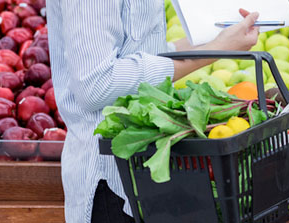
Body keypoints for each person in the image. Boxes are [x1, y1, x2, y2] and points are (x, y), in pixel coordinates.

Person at [46, 1, 260, 222]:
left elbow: (141, 53)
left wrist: (218, 40)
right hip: (112, 183)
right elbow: (96, 84)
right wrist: (215, 51)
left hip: (146, 175)